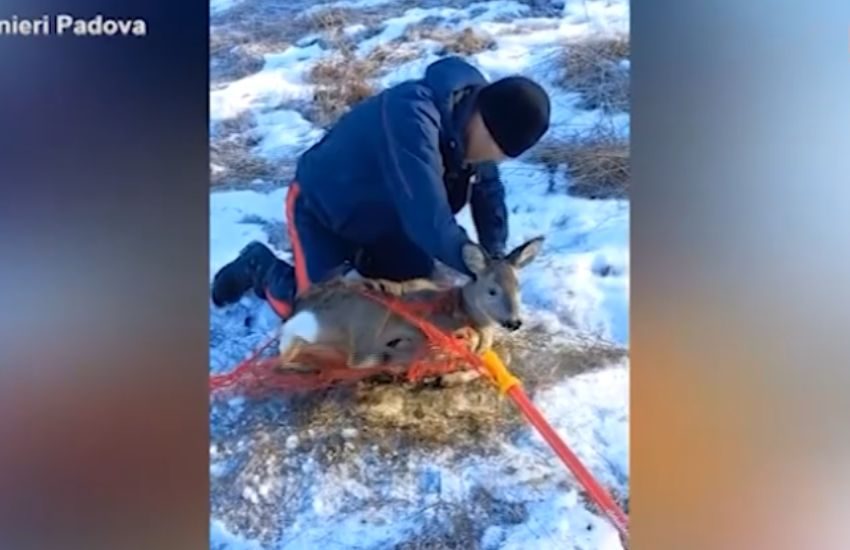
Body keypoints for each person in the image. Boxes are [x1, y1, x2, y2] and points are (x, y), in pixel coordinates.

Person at [211, 56, 551, 318]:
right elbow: (426, 215)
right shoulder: (412, 117)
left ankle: (366, 259)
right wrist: (474, 264)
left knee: (414, 307)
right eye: (495, 150)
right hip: (324, 210)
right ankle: (260, 266)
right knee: (317, 317)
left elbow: (488, 193)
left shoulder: (476, 128)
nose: (493, 161)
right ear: (482, 120)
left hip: (390, 225)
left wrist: (496, 258)